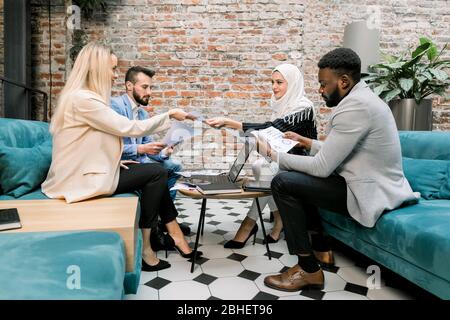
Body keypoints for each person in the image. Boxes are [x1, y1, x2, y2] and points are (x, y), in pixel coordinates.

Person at [256, 48, 419, 292]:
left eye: (323, 84)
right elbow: (344, 151)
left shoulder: (354, 108)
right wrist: (308, 143)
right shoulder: (362, 99)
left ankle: (309, 270)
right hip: (370, 183)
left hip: (371, 192)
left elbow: (322, 167)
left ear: (344, 81)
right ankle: (321, 249)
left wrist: (272, 154)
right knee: (299, 179)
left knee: (283, 182)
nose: (320, 90)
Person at [41, 42, 201, 273]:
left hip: (90, 171)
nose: (115, 75)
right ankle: (149, 246)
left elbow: (88, 144)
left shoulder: (82, 97)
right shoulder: (84, 100)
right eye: (113, 68)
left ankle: (169, 236)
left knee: (158, 172)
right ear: (96, 68)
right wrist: (169, 115)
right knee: (156, 173)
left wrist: (116, 160)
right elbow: (128, 128)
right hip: (78, 180)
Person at [206, 63, 317, 248]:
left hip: (302, 163)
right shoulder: (283, 104)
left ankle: (248, 224)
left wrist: (229, 122)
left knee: (264, 169)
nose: (274, 86)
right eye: (272, 82)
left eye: (280, 82)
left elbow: (273, 129)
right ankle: (279, 220)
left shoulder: (303, 107)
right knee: (260, 165)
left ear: (293, 83)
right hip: (283, 160)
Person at [110, 66, 191, 244]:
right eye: (145, 87)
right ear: (129, 86)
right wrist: (141, 150)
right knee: (159, 171)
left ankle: (163, 220)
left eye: (151, 88)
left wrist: (164, 151)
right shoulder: (114, 106)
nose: (149, 92)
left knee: (174, 166)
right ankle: (157, 225)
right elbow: (110, 146)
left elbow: (148, 145)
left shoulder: (142, 112)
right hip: (124, 162)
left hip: (142, 160)